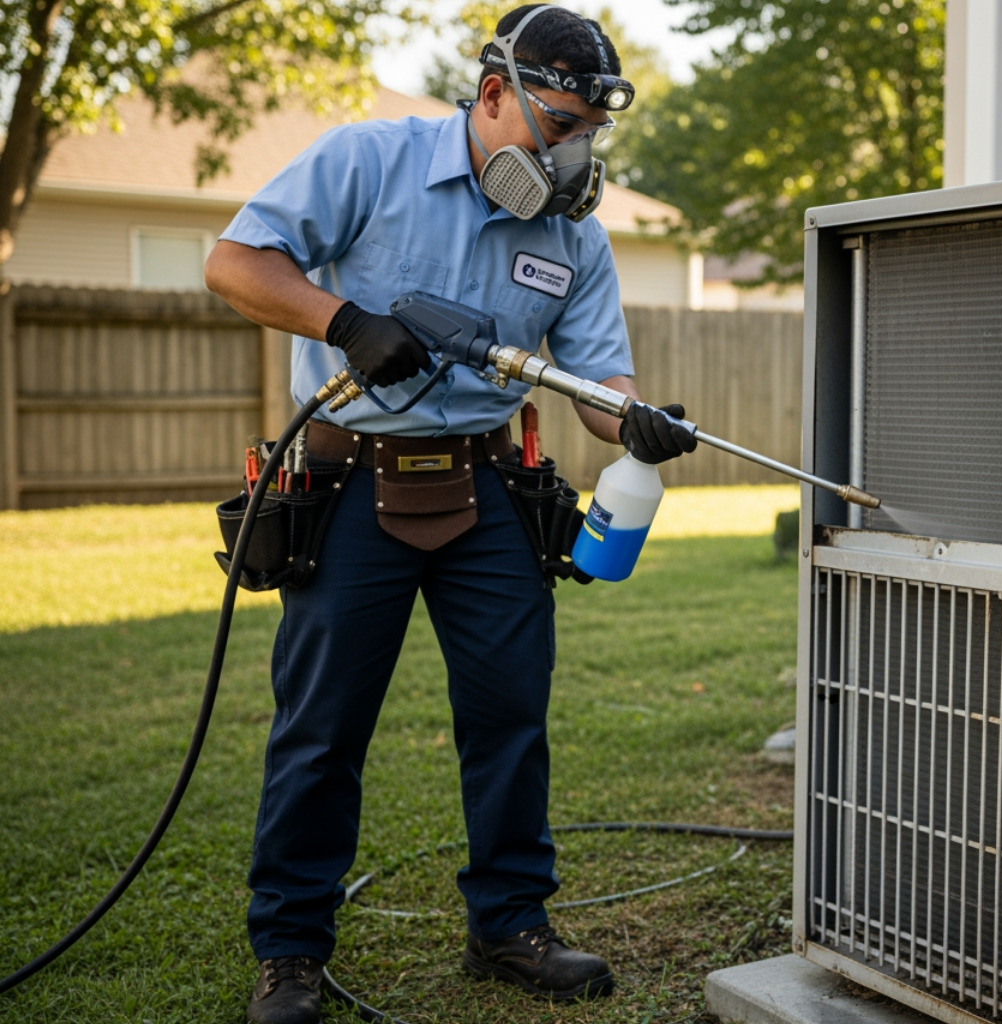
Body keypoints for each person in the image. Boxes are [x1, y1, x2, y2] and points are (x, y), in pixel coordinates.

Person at [203, 7, 696, 1023]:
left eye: (586, 139)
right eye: (555, 129)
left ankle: (510, 924)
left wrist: (635, 422)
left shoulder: (574, 236)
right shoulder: (366, 161)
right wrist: (344, 322)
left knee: (509, 717)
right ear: (491, 94)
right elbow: (235, 263)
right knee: (322, 727)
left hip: (490, 491)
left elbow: (598, 384)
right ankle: (290, 950)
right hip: (347, 487)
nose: (569, 159)